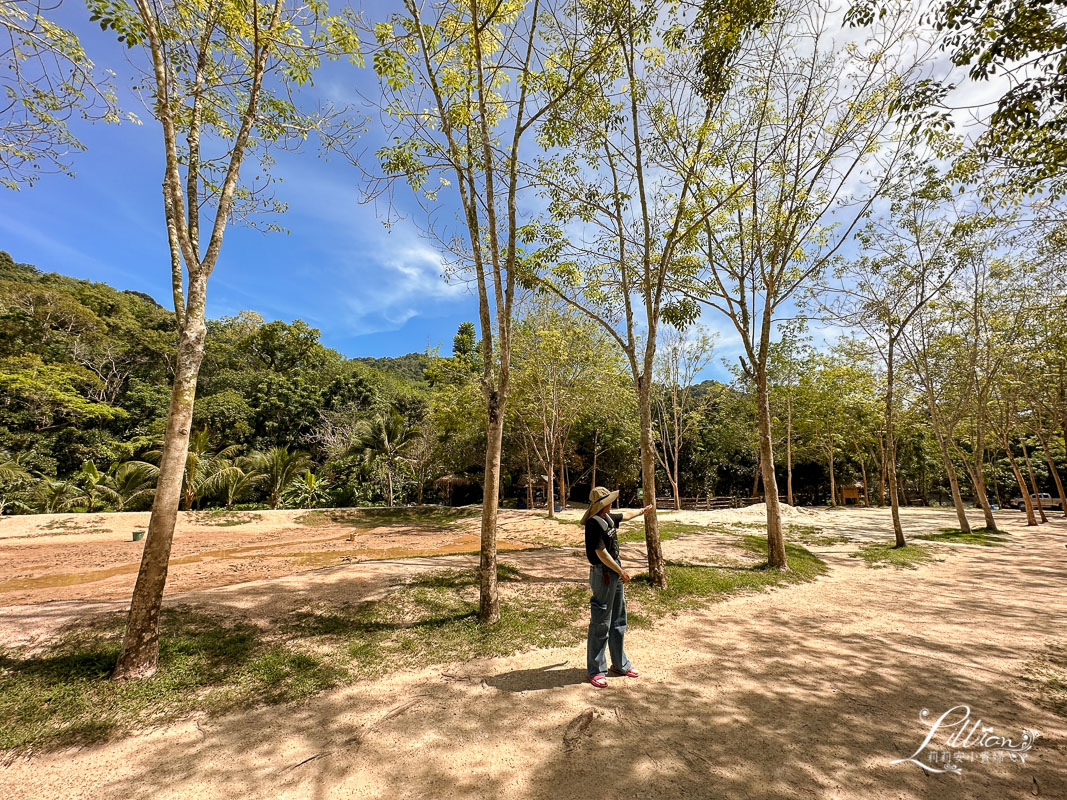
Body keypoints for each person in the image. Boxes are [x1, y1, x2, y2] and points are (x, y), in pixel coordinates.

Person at [582, 485, 653, 688]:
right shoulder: (593, 524)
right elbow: (601, 553)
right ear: (600, 505)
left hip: (614, 571)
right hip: (604, 573)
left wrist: (642, 511)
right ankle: (595, 670)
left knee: (618, 618)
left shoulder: (608, 518)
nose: (611, 504)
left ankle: (619, 664)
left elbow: (626, 516)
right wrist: (620, 572)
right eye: (607, 501)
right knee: (601, 622)